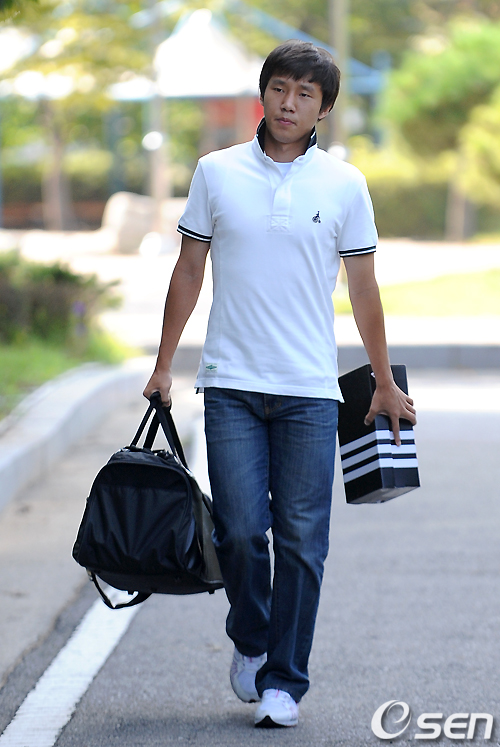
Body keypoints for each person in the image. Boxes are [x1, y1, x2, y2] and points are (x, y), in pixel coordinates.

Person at [144, 39, 416, 729]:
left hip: (310, 391)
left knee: (301, 540)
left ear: (324, 108)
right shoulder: (216, 172)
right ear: (263, 94)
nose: (289, 103)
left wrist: (383, 380)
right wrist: (164, 363)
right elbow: (188, 270)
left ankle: (284, 680)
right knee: (239, 532)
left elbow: (364, 288)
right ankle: (252, 635)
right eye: (279, 89)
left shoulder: (344, 184)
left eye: (305, 94)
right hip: (230, 382)